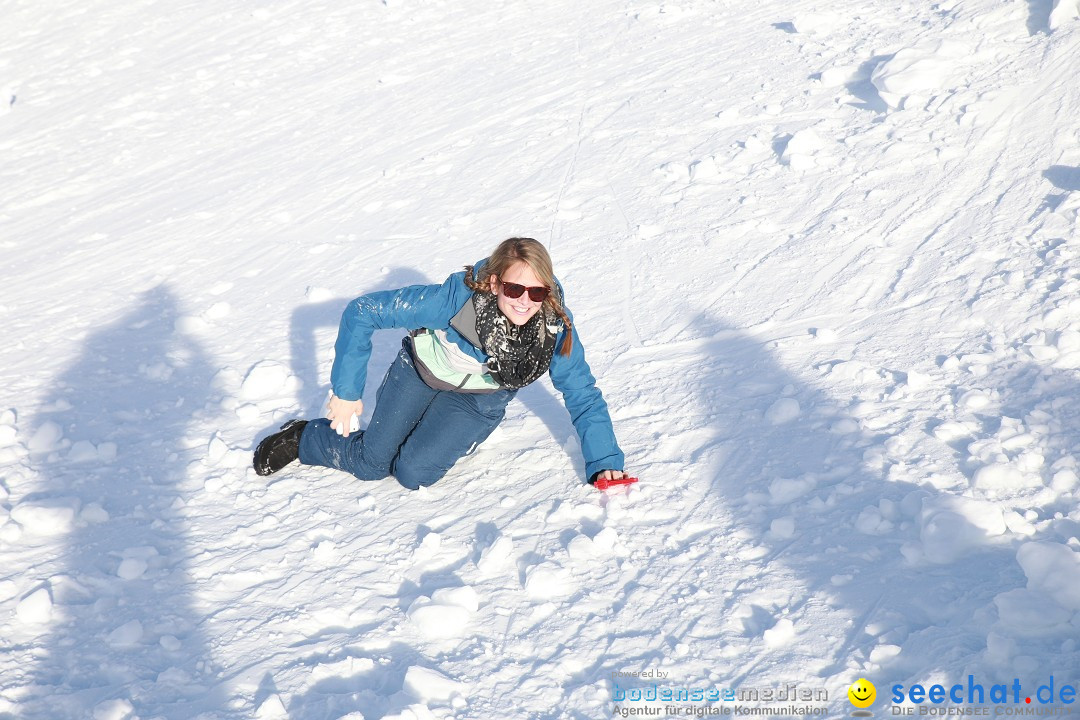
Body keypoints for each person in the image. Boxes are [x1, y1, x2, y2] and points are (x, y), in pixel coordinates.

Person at [253, 237, 628, 490]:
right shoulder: (456, 300)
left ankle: (454, 435)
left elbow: (581, 392)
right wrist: (347, 392)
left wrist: (604, 459)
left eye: (536, 292)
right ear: (495, 284)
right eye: (514, 289)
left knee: (413, 473)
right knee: (371, 464)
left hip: (477, 400)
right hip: (419, 374)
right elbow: (363, 311)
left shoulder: (552, 325)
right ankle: (304, 437)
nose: (524, 302)